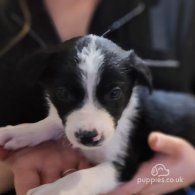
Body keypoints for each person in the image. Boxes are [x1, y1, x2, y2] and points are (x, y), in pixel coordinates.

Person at [0, 0, 195, 194]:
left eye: (113, 94)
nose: (88, 128)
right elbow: (55, 124)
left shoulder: (179, 7)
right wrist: (10, 166)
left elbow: (119, 169)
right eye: (65, 93)